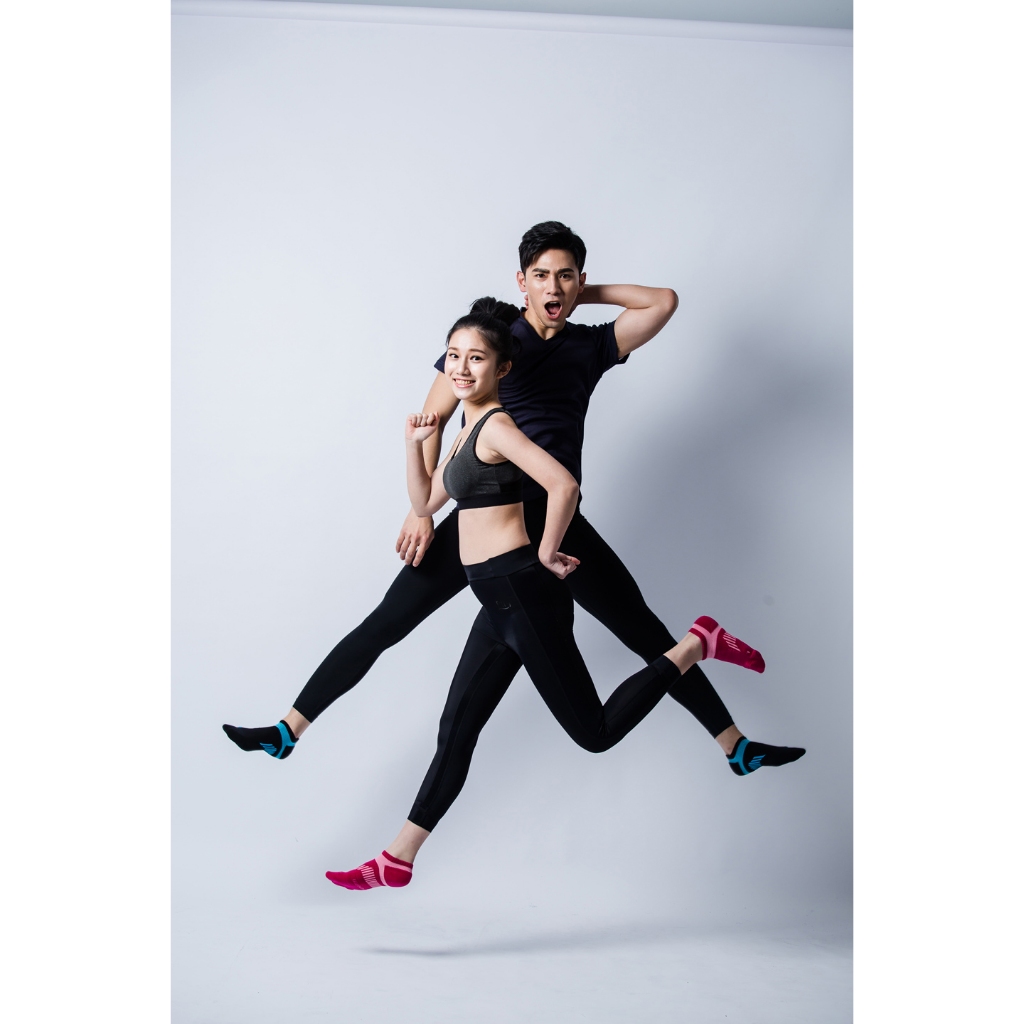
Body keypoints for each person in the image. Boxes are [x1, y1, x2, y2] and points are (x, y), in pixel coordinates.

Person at [223, 222, 802, 780]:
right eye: (540, 275)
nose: (553, 287)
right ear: (520, 280)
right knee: (388, 621)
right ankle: (288, 729)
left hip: (556, 520)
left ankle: (734, 745)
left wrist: (572, 298)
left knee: (643, 631)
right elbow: (434, 420)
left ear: (579, 280)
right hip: (484, 515)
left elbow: (663, 301)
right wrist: (422, 511)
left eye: (565, 276)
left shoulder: (591, 344)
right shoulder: (493, 338)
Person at [326, 298, 798, 890]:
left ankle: (697, 644)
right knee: (457, 730)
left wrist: (549, 549)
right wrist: (413, 444)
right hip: (496, 604)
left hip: (526, 593)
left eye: (475, 358)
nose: (460, 368)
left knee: (595, 732)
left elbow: (563, 484)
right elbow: (425, 499)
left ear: (503, 368)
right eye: (453, 357)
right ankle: (398, 857)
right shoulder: (465, 429)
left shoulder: (500, 424)